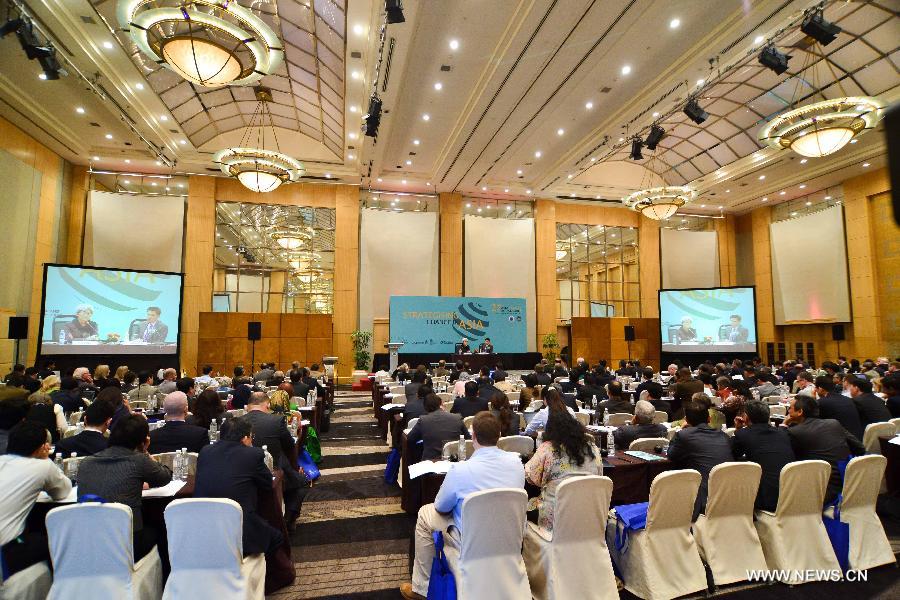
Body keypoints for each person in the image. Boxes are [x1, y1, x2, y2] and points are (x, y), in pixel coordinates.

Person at [401, 412, 524, 600]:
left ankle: (422, 588)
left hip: (469, 537)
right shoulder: (517, 463)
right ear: (499, 435)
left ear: (472, 436)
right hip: (508, 533)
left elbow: (441, 507)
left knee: (425, 513)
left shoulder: (460, 470)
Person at [78, 414, 173, 559]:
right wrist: (145, 451)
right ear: (143, 440)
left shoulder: (86, 463)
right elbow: (165, 476)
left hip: (88, 537)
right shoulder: (138, 460)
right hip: (127, 539)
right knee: (160, 530)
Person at [194, 417, 284, 556]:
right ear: (245, 438)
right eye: (251, 437)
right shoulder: (253, 454)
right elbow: (267, 483)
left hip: (204, 528)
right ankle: (265, 575)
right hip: (239, 528)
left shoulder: (205, 452)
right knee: (277, 537)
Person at [0, 421, 72, 577]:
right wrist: (45, 458)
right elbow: (63, 491)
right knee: (61, 539)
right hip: (6, 551)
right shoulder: (42, 467)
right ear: (42, 447)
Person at [525, 409, 602, 532]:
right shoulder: (593, 448)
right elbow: (599, 476)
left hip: (555, 515)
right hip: (587, 512)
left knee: (524, 507)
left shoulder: (547, 449)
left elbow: (532, 478)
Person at [784, 395, 865, 504]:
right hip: (850, 483)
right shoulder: (833, 423)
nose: (788, 410)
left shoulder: (795, 432)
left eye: (790, 408)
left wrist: (784, 424)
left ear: (800, 412)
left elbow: (783, 456)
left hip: (821, 490)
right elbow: (860, 448)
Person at [242, 392, 304, 530]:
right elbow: (289, 445)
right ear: (268, 405)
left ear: (248, 406)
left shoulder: (237, 422)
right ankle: (288, 519)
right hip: (272, 469)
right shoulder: (276, 421)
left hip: (242, 470)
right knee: (301, 482)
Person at [667, 399, 733, 520]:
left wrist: (681, 431)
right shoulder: (723, 436)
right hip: (728, 496)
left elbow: (671, 455)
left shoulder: (684, 435)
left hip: (702, 499)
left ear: (686, 420)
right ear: (709, 419)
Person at [731, 400, 795, 512]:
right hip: (791, 494)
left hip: (766, 499)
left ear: (746, 417)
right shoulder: (782, 433)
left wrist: (738, 429)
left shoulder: (743, 434)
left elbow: (731, 454)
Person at [407, 394, 469, 460]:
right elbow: (468, 439)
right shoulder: (457, 417)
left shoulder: (423, 420)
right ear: (441, 403)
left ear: (425, 407)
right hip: (454, 460)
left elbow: (410, 438)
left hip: (431, 462)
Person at [815, 376, 864, 440]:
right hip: (858, 439)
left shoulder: (822, 402)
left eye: (816, 388)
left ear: (820, 389)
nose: (815, 390)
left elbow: (813, 423)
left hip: (842, 442)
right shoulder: (848, 399)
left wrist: (814, 400)